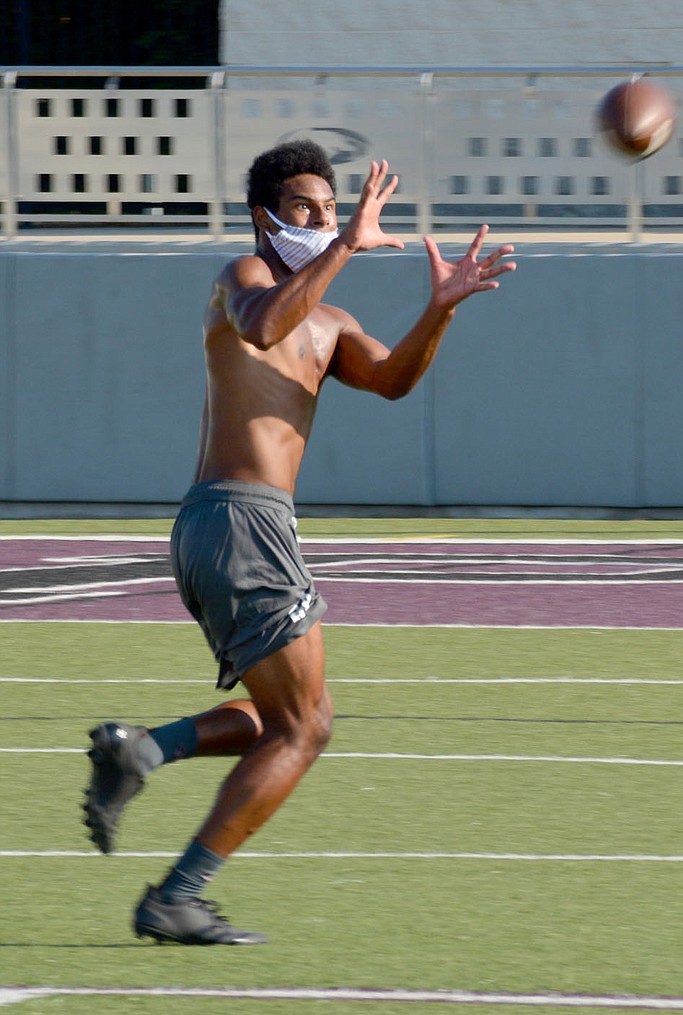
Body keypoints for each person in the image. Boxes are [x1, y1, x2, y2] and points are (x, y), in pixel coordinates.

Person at [83, 139, 516, 945]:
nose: (321, 220)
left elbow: (392, 381)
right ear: (265, 218)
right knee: (306, 725)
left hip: (245, 525)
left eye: (329, 209)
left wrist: (441, 307)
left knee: (289, 714)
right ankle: (176, 893)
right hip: (237, 518)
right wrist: (349, 243)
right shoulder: (243, 280)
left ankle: (140, 751)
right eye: (304, 210)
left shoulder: (332, 320)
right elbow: (260, 326)